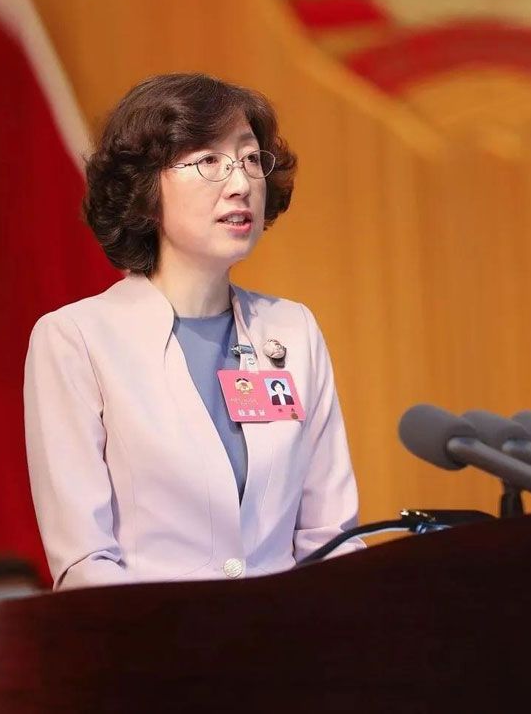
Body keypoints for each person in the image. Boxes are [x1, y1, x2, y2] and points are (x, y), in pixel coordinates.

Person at [24, 72, 364, 590]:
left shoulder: (293, 330)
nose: (240, 183)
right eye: (209, 161)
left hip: (286, 637)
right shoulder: (76, 339)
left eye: (250, 159)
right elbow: (85, 562)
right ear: (145, 189)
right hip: (146, 636)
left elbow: (330, 539)